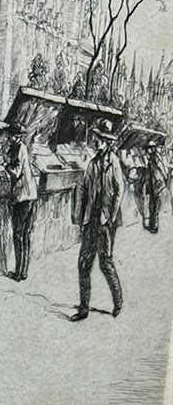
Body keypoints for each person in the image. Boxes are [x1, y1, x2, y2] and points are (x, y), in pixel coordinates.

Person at [70, 119, 124, 322]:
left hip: (106, 222)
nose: (97, 142)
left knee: (106, 263)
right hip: (91, 221)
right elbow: (84, 191)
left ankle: (118, 302)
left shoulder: (114, 163)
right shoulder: (92, 165)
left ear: (108, 142)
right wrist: (82, 219)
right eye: (96, 138)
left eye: (101, 139)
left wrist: (110, 216)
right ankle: (84, 308)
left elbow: (120, 191)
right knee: (83, 263)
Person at [5, 120, 39, 282]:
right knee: (25, 235)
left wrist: (4, 166)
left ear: (16, 136)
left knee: (18, 234)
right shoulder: (21, 147)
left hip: (22, 197)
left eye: (10, 135)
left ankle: (18, 273)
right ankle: (23, 271)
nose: (7, 137)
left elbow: (16, 172)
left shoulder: (19, 148)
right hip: (31, 195)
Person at [145, 139, 166, 234]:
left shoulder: (156, 157)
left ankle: (154, 226)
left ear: (153, 148)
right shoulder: (150, 158)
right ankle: (152, 225)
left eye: (150, 148)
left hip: (157, 184)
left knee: (155, 207)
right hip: (153, 184)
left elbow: (161, 167)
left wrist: (164, 177)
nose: (148, 150)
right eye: (148, 148)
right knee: (152, 206)